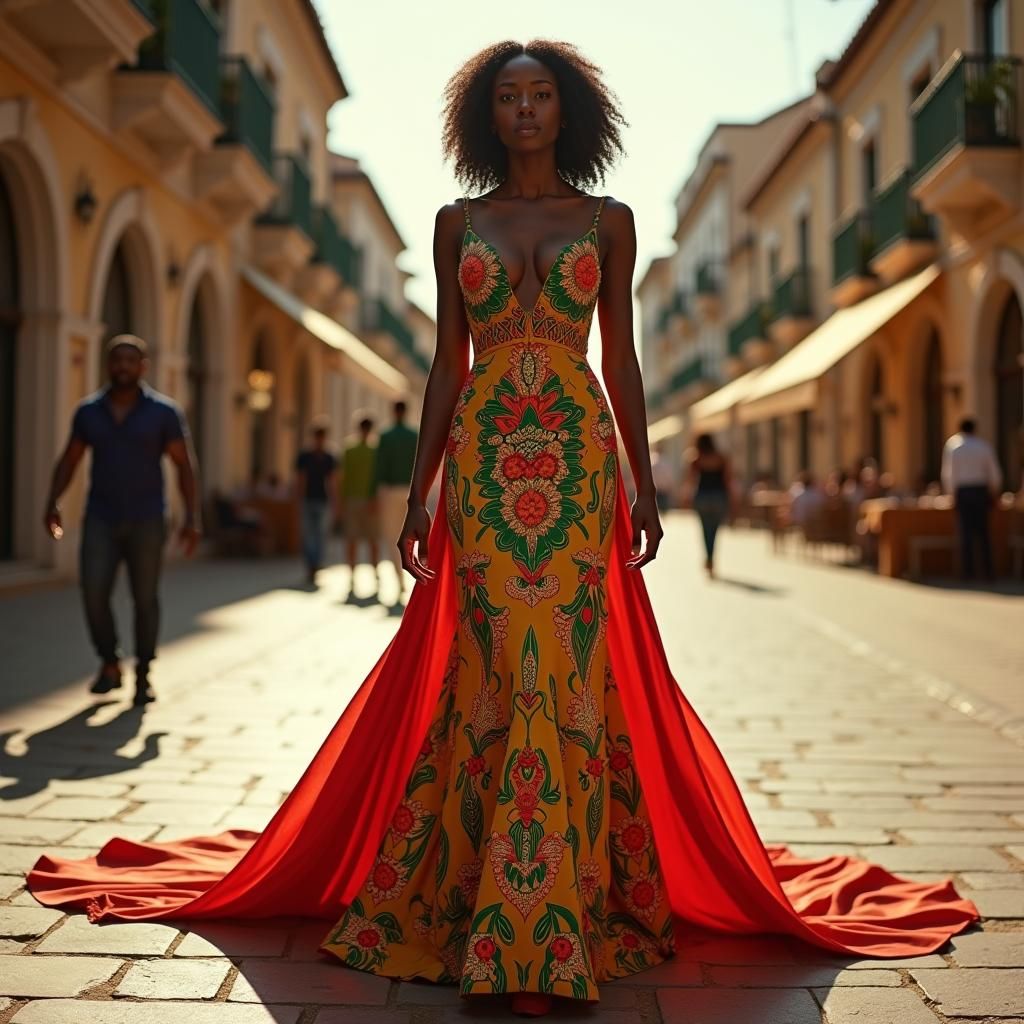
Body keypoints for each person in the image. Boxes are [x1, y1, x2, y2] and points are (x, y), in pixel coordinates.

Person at [27, 40, 979, 1019]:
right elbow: (448, 362)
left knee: (561, 660)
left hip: (574, 461)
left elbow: (622, 360)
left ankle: (556, 908)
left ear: (567, 110)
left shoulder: (610, 222)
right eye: (509, 97)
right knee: (493, 660)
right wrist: (419, 492)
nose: (525, 109)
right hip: (485, 464)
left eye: (541, 95)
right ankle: (491, 896)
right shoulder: (457, 223)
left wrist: (640, 485)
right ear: (488, 115)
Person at [42, 334, 201, 704]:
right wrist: (52, 501)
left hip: (148, 519)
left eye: (131, 360)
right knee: (93, 592)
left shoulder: (163, 412)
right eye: (117, 359)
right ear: (107, 364)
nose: (123, 366)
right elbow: (70, 458)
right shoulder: (88, 412)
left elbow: (183, 464)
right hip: (100, 516)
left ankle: (143, 673)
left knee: (145, 598)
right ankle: (110, 662)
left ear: (143, 367)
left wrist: (192, 517)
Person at [942, 417, 1003, 580]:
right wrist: (994, 491)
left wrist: (951, 494)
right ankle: (988, 572)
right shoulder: (983, 446)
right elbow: (994, 473)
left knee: (965, 533)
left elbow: (949, 474)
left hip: (964, 492)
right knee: (984, 533)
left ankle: (968, 573)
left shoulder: (954, 446)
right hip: (981, 491)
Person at [375, 399, 419, 593]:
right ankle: (413, 575)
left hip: (391, 490)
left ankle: (400, 578)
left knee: (393, 536)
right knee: (411, 536)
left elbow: (379, 467)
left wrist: (375, 493)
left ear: (393, 411)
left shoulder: (386, 436)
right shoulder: (414, 435)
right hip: (411, 490)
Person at [338, 415, 380, 588]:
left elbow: (343, 478)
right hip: (368, 499)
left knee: (353, 539)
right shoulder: (375, 450)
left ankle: (353, 574)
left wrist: (341, 501)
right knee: (371, 539)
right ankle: (374, 573)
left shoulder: (350, 449)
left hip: (353, 499)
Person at [294, 422, 339, 586]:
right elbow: (301, 479)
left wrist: (335, 501)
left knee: (320, 534)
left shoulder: (329, 457)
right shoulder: (305, 457)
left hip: (322, 500)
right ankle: (310, 564)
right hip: (308, 499)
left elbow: (332, 481)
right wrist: (298, 499)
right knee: (308, 534)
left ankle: (316, 563)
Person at [687, 434, 733, 577]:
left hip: (702, 497)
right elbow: (727, 479)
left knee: (705, 529)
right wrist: (731, 499)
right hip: (719, 497)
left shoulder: (696, 459)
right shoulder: (721, 458)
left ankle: (709, 558)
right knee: (715, 530)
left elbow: (690, 480)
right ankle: (711, 558)